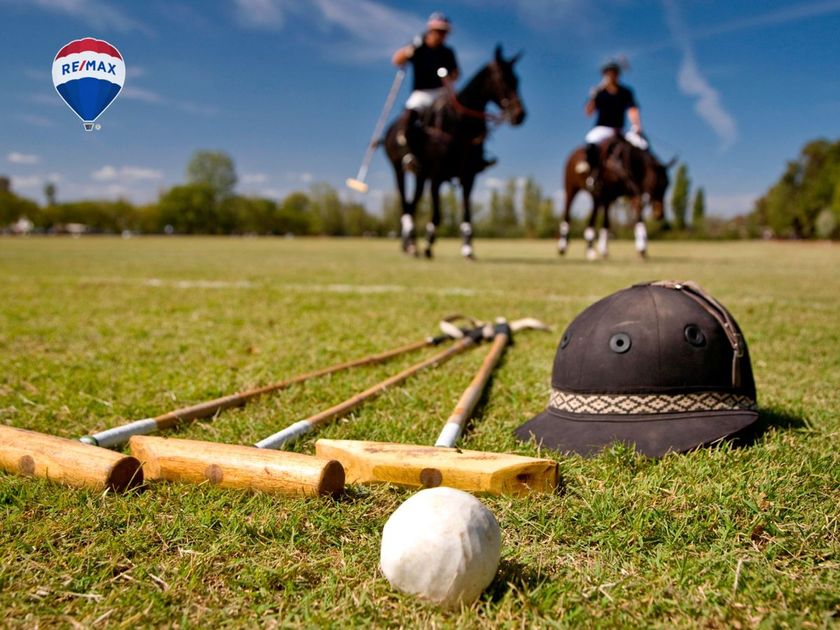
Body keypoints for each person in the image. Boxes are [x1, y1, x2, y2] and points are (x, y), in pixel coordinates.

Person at [391, 12, 460, 170]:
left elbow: (456, 74)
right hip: (422, 94)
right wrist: (408, 50)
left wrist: (450, 76)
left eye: (445, 32)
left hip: (443, 92)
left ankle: (472, 156)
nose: (442, 35)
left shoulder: (448, 52)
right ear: (431, 30)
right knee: (408, 117)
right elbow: (396, 60)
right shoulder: (418, 47)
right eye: (439, 31)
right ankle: (407, 154)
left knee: (462, 116)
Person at [580, 60, 648, 187]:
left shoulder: (626, 92)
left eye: (614, 72)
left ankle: (642, 179)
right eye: (608, 73)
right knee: (591, 140)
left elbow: (633, 110)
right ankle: (592, 174)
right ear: (604, 75)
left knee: (642, 144)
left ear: (618, 74)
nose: (611, 75)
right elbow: (588, 112)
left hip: (620, 130)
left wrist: (637, 126)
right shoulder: (599, 92)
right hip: (602, 129)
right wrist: (593, 96)